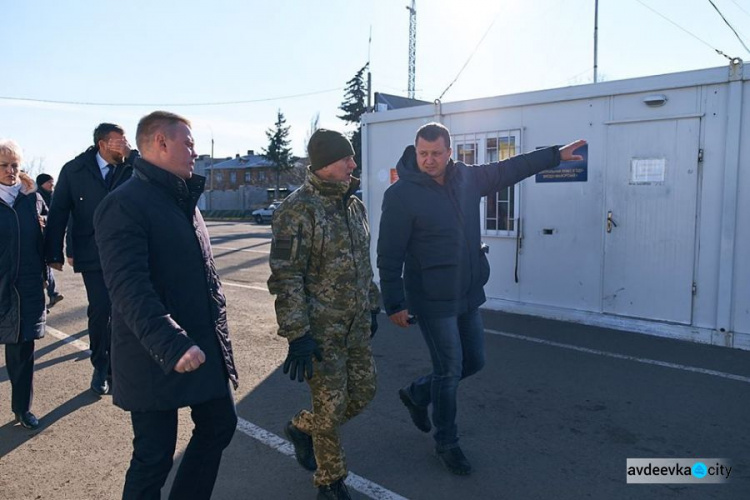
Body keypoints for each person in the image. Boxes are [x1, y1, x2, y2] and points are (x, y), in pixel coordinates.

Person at [377, 122, 586, 475]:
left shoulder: (467, 179)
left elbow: (510, 168)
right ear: (415, 151)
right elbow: (389, 253)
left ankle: (416, 393)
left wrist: (554, 155)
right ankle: (447, 442)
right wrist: (394, 302)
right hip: (430, 298)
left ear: (449, 153)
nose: (429, 160)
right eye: (422, 153)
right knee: (449, 370)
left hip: (467, 291)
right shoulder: (400, 196)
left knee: (473, 361)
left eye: (436, 153)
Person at [93, 111, 238, 499]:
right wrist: (172, 343)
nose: (195, 153)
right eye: (188, 144)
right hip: (153, 351)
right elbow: (128, 289)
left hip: (200, 345)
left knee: (219, 425)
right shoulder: (124, 204)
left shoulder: (183, 199)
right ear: (160, 143)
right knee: (154, 457)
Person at [268, 129, 380, 500]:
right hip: (320, 333)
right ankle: (330, 482)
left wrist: (372, 304)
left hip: (356, 326)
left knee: (364, 393)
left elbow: (363, 263)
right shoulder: (296, 211)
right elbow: (286, 277)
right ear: (323, 165)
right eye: (345, 158)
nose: (353, 164)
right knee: (330, 410)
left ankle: (302, 427)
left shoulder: (354, 206)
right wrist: (298, 334)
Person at [44, 123, 137, 395]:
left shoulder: (133, 167)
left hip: (129, 253)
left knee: (127, 310)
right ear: (102, 144)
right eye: (120, 142)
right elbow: (60, 211)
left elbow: (156, 182)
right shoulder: (74, 170)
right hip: (92, 252)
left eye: (127, 141)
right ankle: (101, 366)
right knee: (100, 309)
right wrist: (53, 253)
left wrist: (132, 156)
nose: (125, 146)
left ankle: (123, 365)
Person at [0, 139, 47, 430]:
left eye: (14, 165)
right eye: (3, 165)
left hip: (26, 286)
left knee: (22, 352)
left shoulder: (32, 198)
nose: (10, 170)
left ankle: (22, 409)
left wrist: (48, 275)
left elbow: (45, 236)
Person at [35, 173, 64, 309]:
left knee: (46, 267)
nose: (52, 185)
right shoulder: (32, 196)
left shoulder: (51, 197)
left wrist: (44, 219)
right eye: (49, 183)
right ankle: (46, 299)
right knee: (39, 271)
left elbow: (51, 215)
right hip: (32, 240)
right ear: (41, 184)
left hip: (46, 238)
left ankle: (52, 294)